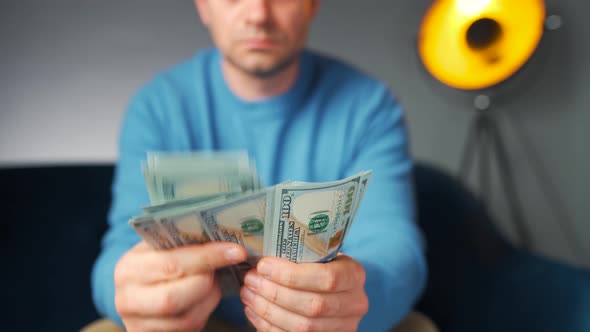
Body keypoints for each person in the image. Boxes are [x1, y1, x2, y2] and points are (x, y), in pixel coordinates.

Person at [91, 0, 428, 331]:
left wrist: (350, 298)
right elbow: (120, 252)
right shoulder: (157, 108)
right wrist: (132, 296)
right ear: (203, 6)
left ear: (312, 5)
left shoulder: (369, 106)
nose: (258, 14)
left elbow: (395, 247)